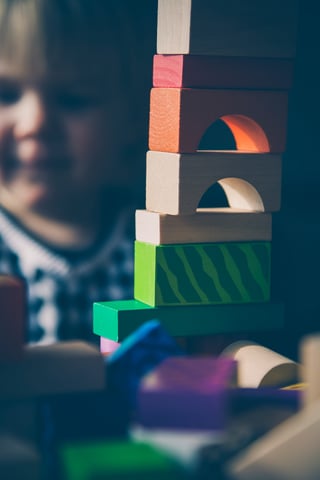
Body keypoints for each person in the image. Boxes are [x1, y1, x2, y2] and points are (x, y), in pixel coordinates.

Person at [0, 0, 155, 345]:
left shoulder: (154, 244)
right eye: (6, 95)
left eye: (73, 99)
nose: (35, 124)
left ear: (132, 118)